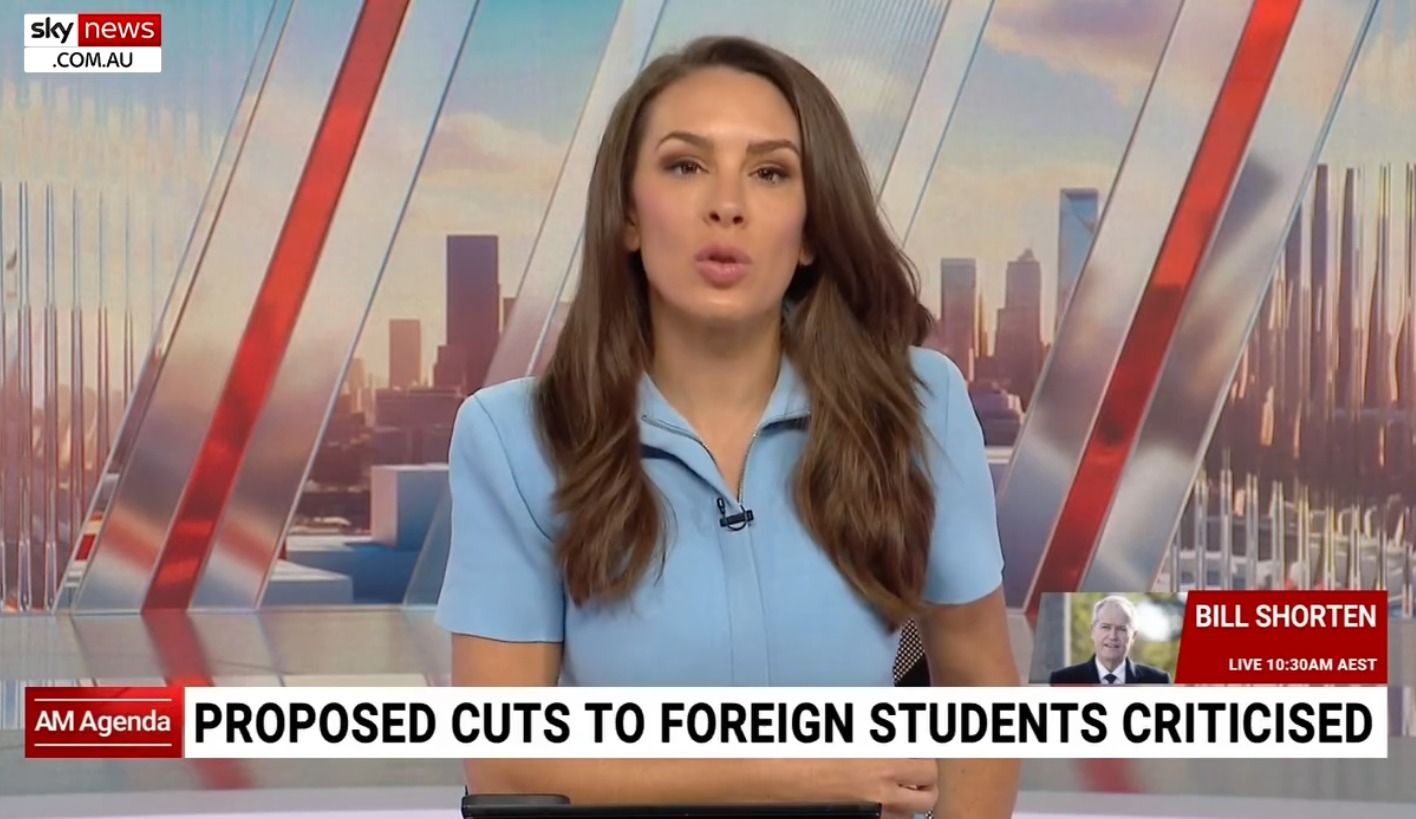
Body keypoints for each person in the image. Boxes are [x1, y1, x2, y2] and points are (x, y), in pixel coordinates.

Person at [436, 35, 1019, 819]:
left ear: (811, 231)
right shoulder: (515, 438)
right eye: (685, 166)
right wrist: (811, 775)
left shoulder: (918, 404)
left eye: (770, 172)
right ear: (627, 216)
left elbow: (980, 688)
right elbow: (507, 761)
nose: (727, 204)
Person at [1048, 596, 1172, 685]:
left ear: (1133, 636)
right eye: (1105, 627)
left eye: (1122, 629)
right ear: (1092, 631)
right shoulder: (1062, 681)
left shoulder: (1158, 682)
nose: (1113, 636)